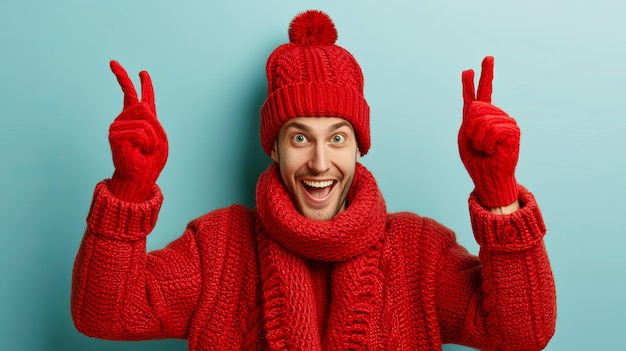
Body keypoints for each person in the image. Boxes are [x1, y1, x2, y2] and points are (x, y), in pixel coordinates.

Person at [71, 9, 556, 351]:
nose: (320, 162)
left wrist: (499, 197)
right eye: (300, 138)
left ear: (359, 147)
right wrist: (127, 193)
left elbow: (523, 332)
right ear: (275, 148)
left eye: (338, 138)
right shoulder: (218, 248)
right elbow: (105, 315)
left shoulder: (418, 253)